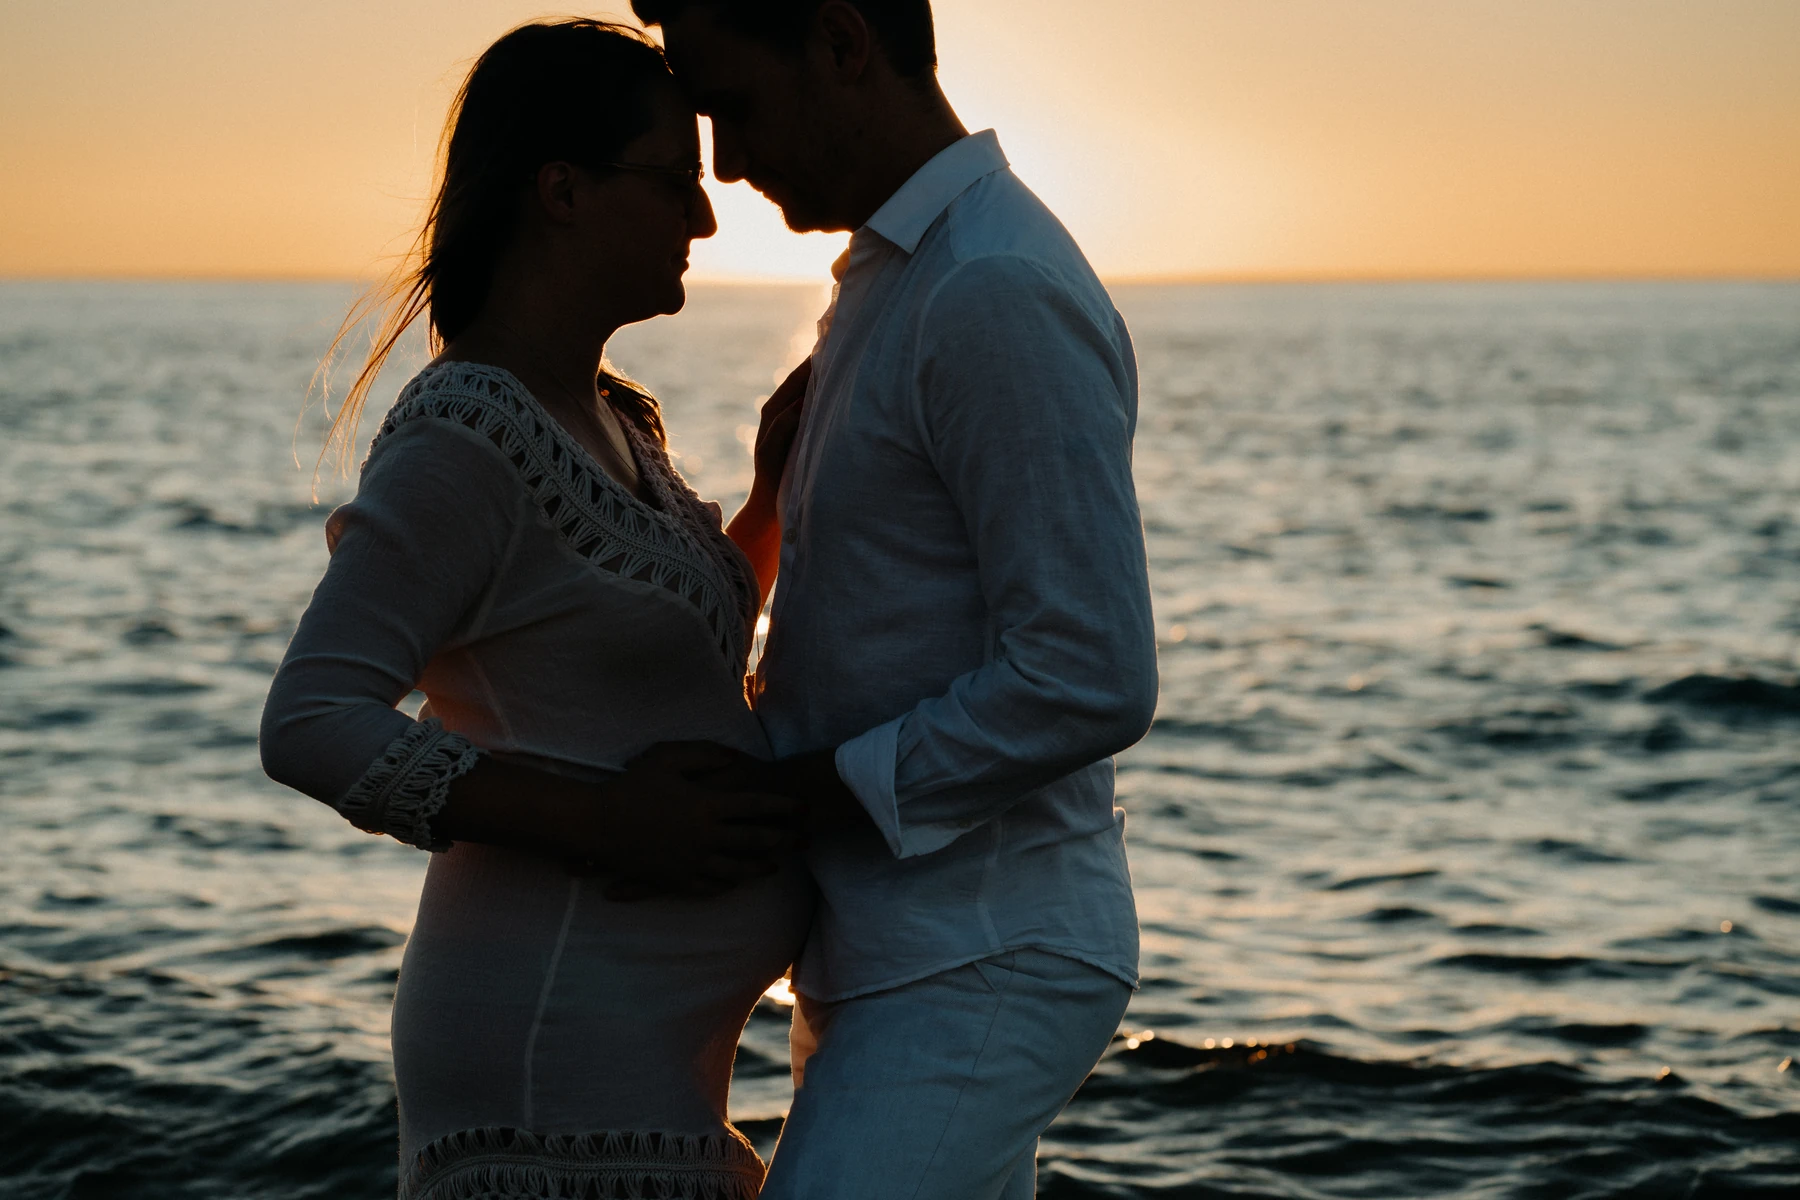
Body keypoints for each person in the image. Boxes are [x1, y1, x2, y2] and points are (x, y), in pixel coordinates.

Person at [258, 20, 817, 1199]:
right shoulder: (467, 434)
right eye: (673, 181)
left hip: (640, 1062)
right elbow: (312, 718)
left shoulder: (619, 420)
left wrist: (768, 501)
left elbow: (641, 659)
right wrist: (608, 821)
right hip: (544, 1064)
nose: (705, 219)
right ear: (561, 190)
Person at [631, 2, 1160, 1197]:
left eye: (738, 107)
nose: (724, 161)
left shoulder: (992, 286)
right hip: (895, 948)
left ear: (840, 42)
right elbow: (870, 632)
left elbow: (1090, 673)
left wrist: (794, 796)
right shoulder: (898, 276)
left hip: (979, 954)